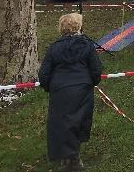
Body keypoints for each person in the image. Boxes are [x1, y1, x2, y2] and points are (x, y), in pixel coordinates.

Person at [38, 13, 102, 172]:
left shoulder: (54, 47)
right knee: (78, 121)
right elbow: (96, 69)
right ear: (78, 27)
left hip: (60, 90)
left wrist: (49, 87)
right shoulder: (87, 45)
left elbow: (44, 73)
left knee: (61, 124)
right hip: (81, 89)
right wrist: (92, 82)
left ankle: (68, 159)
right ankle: (73, 158)